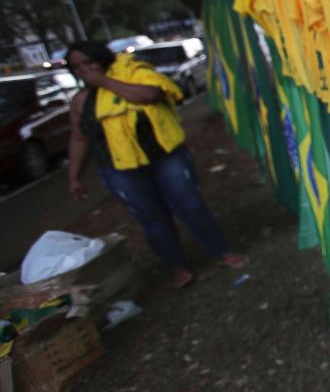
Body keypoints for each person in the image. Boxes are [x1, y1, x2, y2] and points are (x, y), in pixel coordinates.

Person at [65, 40, 246, 288]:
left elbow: (149, 95)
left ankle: (221, 251)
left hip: (164, 156)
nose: (83, 70)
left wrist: (104, 82)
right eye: (76, 67)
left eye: (88, 62)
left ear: (102, 59)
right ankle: (177, 267)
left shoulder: (136, 73)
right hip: (120, 169)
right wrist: (74, 177)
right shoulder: (81, 101)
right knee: (151, 218)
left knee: (190, 205)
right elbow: (79, 137)